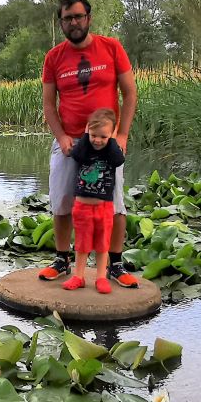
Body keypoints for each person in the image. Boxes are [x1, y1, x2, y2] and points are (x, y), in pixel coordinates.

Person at [39, 0, 139, 286]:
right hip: (69, 141)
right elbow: (48, 103)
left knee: (116, 203)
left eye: (78, 16)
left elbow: (130, 92)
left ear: (89, 18)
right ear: (61, 23)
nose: (73, 22)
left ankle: (115, 264)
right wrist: (61, 136)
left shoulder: (111, 48)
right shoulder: (53, 57)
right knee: (61, 202)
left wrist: (122, 134)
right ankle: (61, 260)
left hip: (107, 143)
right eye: (67, 18)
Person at [62, 108, 125, 293]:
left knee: (102, 244)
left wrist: (112, 139)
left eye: (103, 137)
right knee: (82, 244)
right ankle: (78, 276)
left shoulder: (111, 152)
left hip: (104, 207)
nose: (98, 140)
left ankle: (100, 277)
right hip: (82, 206)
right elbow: (76, 155)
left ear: (110, 135)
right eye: (94, 135)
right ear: (88, 131)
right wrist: (85, 134)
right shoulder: (85, 148)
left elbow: (118, 160)